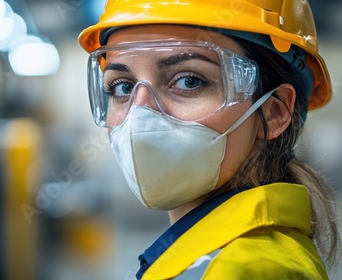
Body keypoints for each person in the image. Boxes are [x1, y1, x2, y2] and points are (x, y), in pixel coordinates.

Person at [78, 0, 341, 279]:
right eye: (122, 87)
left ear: (274, 111)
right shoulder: (212, 257)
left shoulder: (248, 269)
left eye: (189, 81)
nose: (139, 114)